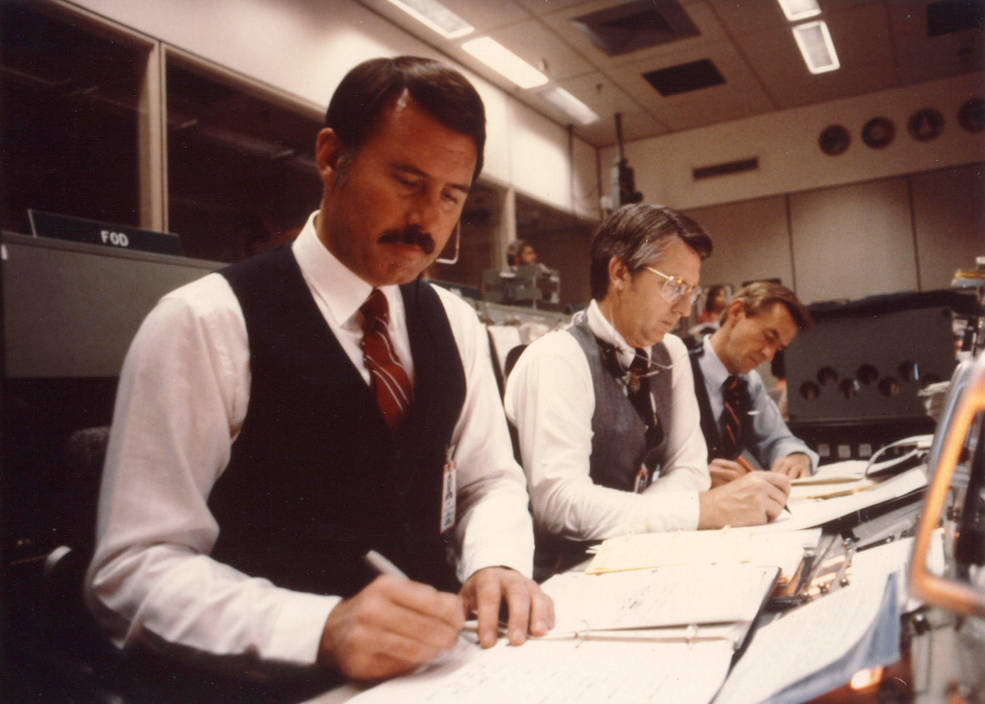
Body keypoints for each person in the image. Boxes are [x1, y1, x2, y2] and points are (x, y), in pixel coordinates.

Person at [85, 56, 553, 694]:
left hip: (441, 676)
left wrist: (497, 561)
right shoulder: (204, 323)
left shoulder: (457, 323)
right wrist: (317, 628)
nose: (427, 220)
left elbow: (489, 479)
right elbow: (132, 571)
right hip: (273, 685)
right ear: (333, 158)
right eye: (407, 180)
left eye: (451, 196)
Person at [503, 204, 792, 573]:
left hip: (640, 557)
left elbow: (690, 470)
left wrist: (654, 517)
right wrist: (698, 509)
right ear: (620, 273)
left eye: (691, 291)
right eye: (674, 287)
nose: (685, 309)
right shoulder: (558, 357)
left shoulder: (670, 352)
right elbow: (560, 505)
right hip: (559, 578)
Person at [689, 281, 818, 487]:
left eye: (778, 348)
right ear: (736, 312)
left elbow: (777, 438)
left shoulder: (748, 382)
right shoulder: (678, 370)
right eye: (768, 337)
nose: (768, 355)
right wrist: (694, 479)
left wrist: (796, 456)